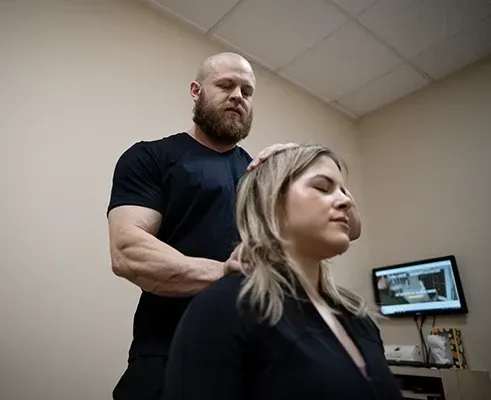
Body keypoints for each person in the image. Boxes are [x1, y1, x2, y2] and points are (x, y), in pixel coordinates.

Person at [107, 52, 361, 399]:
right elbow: (128, 250)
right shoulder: (151, 157)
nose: (238, 96)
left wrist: (310, 168)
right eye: (226, 85)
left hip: (258, 357)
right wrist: (228, 275)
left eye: (247, 90)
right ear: (196, 91)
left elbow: (351, 227)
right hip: (170, 350)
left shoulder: (261, 175)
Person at [163, 144, 402, 400]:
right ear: (271, 201)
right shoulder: (225, 308)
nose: (346, 201)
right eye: (322, 188)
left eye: (343, 190)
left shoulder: (358, 318)